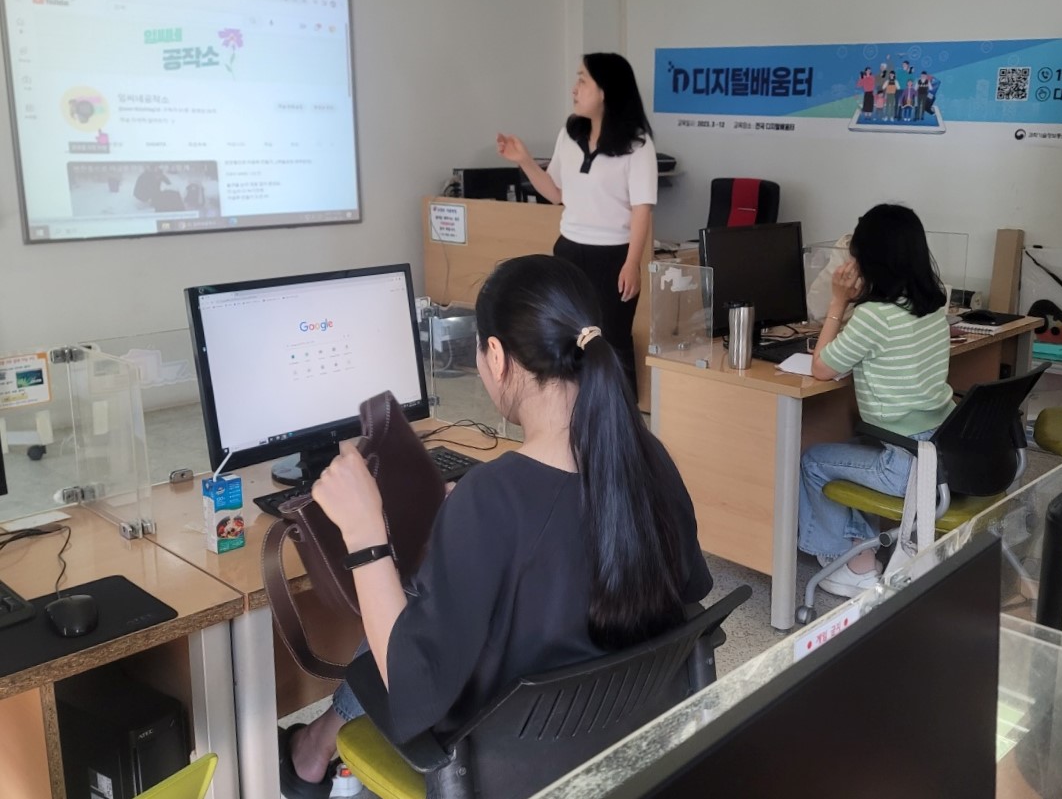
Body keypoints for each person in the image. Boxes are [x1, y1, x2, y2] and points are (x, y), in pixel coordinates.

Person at [280, 254, 712, 799]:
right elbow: (691, 590)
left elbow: (414, 689)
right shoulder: (649, 457)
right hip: (631, 744)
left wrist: (366, 536)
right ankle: (319, 746)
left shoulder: (493, 498)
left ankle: (314, 752)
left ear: (497, 355)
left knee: (394, 610)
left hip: (501, 768)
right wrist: (471, 525)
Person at [797, 205, 954, 598]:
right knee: (850, 446)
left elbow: (821, 368)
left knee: (813, 461)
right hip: (945, 451)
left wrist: (838, 302)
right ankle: (861, 549)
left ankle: (853, 564)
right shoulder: (934, 305)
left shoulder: (874, 316)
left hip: (905, 466)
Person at [495, 53, 657, 397]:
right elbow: (556, 193)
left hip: (613, 256)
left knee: (611, 343)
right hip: (569, 249)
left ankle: (621, 418)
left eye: (583, 80)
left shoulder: (638, 145)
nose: (574, 88)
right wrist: (524, 160)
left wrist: (632, 263)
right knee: (567, 338)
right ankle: (571, 412)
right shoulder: (569, 135)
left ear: (605, 91)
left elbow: (642, 209)